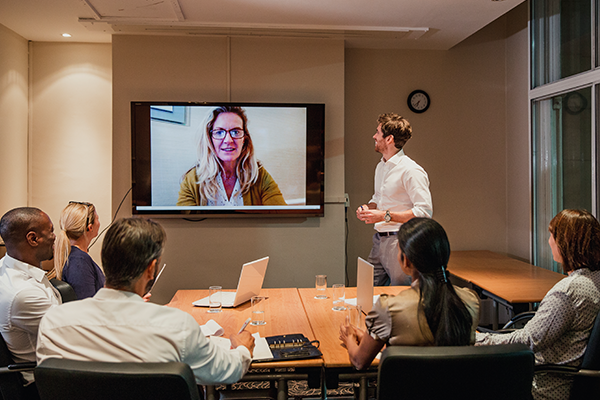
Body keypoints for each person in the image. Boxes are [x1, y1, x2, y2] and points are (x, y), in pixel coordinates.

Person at [37, 217, 255, 386]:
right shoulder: (177, 326)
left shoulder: (54, 323)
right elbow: (225, 372)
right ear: (151, 268)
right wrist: (243, 349)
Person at [476, 209, 600, 400]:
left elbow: (527, 341)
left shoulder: (568, 292)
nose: (549, 241)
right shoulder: (595, 279)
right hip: (571, 377)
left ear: (566, 243)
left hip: (543, 385)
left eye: (552, 236)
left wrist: (478, 340)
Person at [339, 218, 479, 370]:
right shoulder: (470, 301)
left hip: (407, 393)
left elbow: (360, 361)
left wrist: (349, 338)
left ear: (406, 261)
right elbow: (433, 352)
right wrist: (372, 340)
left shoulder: (388, 308)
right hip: (459, 392)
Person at [356, 113, 432, 286]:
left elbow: (424, 213)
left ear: (389, 139)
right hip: (379, 240)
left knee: (400, 293)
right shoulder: (381, 166)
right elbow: (378, 198)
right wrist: (368, 208)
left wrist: (383, 216)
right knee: (366, 290)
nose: (374, 136)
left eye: (377, 132)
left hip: (401, 241)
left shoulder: (411, 170)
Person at [0, 207, 61, 391]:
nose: (55, 237)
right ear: (33, 239)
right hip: (43, 384)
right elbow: (73, 335)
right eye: (50, 231)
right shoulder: (24, 294)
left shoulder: (6, 267)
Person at [177, 106, 287, 206]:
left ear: (245, 139)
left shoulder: (259, 175)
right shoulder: (192, 179)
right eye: (219, 132)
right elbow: (184, 225)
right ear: (210, 139)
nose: (228, 140)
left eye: (235, 132)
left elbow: (281, 218)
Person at [53, 201, 105, 299]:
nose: (99, 223)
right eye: (97, 219)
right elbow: (86, 306)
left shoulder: (74, 256)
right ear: (90, 227)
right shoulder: (79, 262)